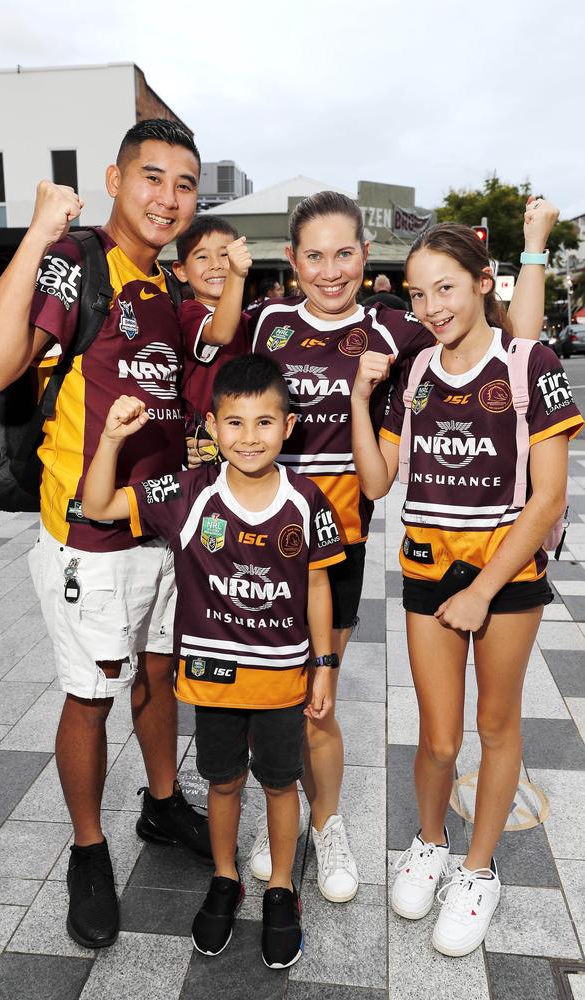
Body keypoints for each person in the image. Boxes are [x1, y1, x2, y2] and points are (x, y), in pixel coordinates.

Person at [248, 190, 557, 902]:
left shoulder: (397, 332)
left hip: (356, 547)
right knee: (284, 690)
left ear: (365, 256)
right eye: (315, 255)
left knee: (323, 694)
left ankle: (390, 845)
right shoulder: (269, 325)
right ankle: (287, 811)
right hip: (276, 545)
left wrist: (534, 246)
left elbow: (520, 345)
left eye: (345, 253)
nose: (331, 270)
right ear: (292, 262)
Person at [0, 119, 212, 950]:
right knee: (90, 693)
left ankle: (161, 801)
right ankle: (86, 847)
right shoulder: (76, 262)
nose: (168, 198)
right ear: (114, 178)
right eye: (152, 177)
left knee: (159, 673)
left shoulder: (175, 291)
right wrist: (38, 231)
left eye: (184, 184)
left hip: (161, 530)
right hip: (88, 538)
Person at [351, 221, 583, 956]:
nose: (431, 307)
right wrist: (361, 400)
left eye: (445, 288)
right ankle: (429, 843)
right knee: (438, 736)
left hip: (507, 576)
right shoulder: (416, 372)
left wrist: (484, 589)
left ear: (485, 281)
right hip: (426, 571)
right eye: (418, 294)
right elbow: (377, 481)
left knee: (497, 726)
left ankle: (478, 872)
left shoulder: (529, 362)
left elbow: (546, 498)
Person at [81, 355, 345, 969]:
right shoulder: (190, 492)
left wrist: (325, 663)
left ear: (288, 426)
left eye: (263, 423)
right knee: (222, 782)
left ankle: (282, 886)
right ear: (212, 426)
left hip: (283, 681)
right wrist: (112, 438)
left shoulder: (308, 500)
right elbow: (98, 506)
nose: (249, 437)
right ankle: (225, 878)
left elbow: (317, 587)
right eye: (234, 423)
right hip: (213, 680)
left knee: (281, 784)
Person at [172, 215, 252, 445]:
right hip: (203, 438)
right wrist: (236, 274)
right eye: (202, 256)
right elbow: (220, 332)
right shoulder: (189, 312)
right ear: (181, 270)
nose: (216, 264)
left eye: (225, 254)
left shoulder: (249, 321)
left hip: (244, 434)